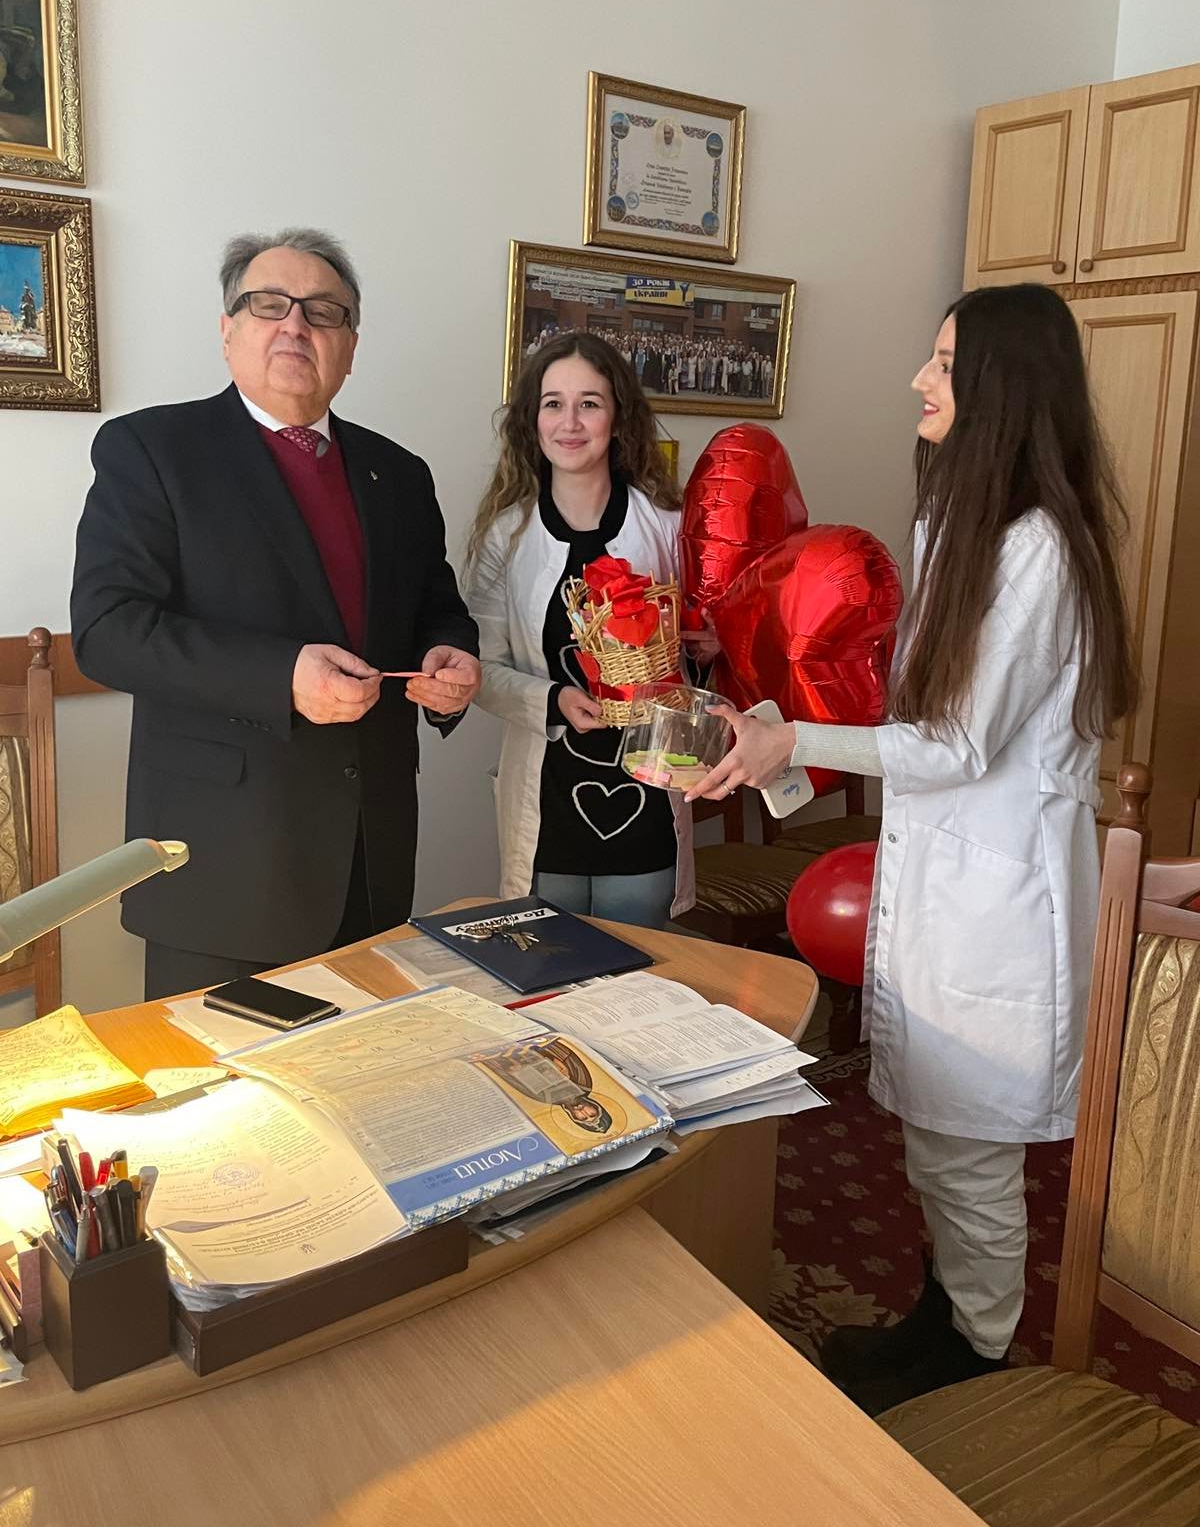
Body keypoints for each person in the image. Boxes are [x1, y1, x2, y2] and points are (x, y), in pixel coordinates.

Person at [686, 283, 1137, 1412]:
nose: (919, 381)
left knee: (972, 1148)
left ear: (1000, 387)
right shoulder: (959, 532)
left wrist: (795, 738)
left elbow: (955, 740)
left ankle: (978, 1354)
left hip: (998, 901)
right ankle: (943, 1313)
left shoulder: (1037, 553)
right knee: (936, 1137)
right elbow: (912, 715)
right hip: (944, 879)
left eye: (942, 363)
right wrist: (780, 736)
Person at [71, 228, 481, 999]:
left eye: (323, 311)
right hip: (224, 864)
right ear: (228, 330)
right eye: (269, 305)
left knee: (369, 1067)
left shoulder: (398, 472)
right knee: (214, 1077)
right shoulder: (151, 448)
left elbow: (436, 604)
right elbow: (108, 631)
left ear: (350, 346)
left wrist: (451, 657)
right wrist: (282, 676)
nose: (296, 324)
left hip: (370, 856)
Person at [466, 331, 695, 929]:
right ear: (532, 420)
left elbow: (700, 648)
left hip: (646, 788)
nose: (570, 422)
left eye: (589, 403)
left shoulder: (668, 527)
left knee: (637, 964)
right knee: (548, 962)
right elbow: (479, 667)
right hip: (548, 797)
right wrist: (552, 700)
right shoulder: (506, 535)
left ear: (618, 418)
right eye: (554, 404)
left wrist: (709, 645)